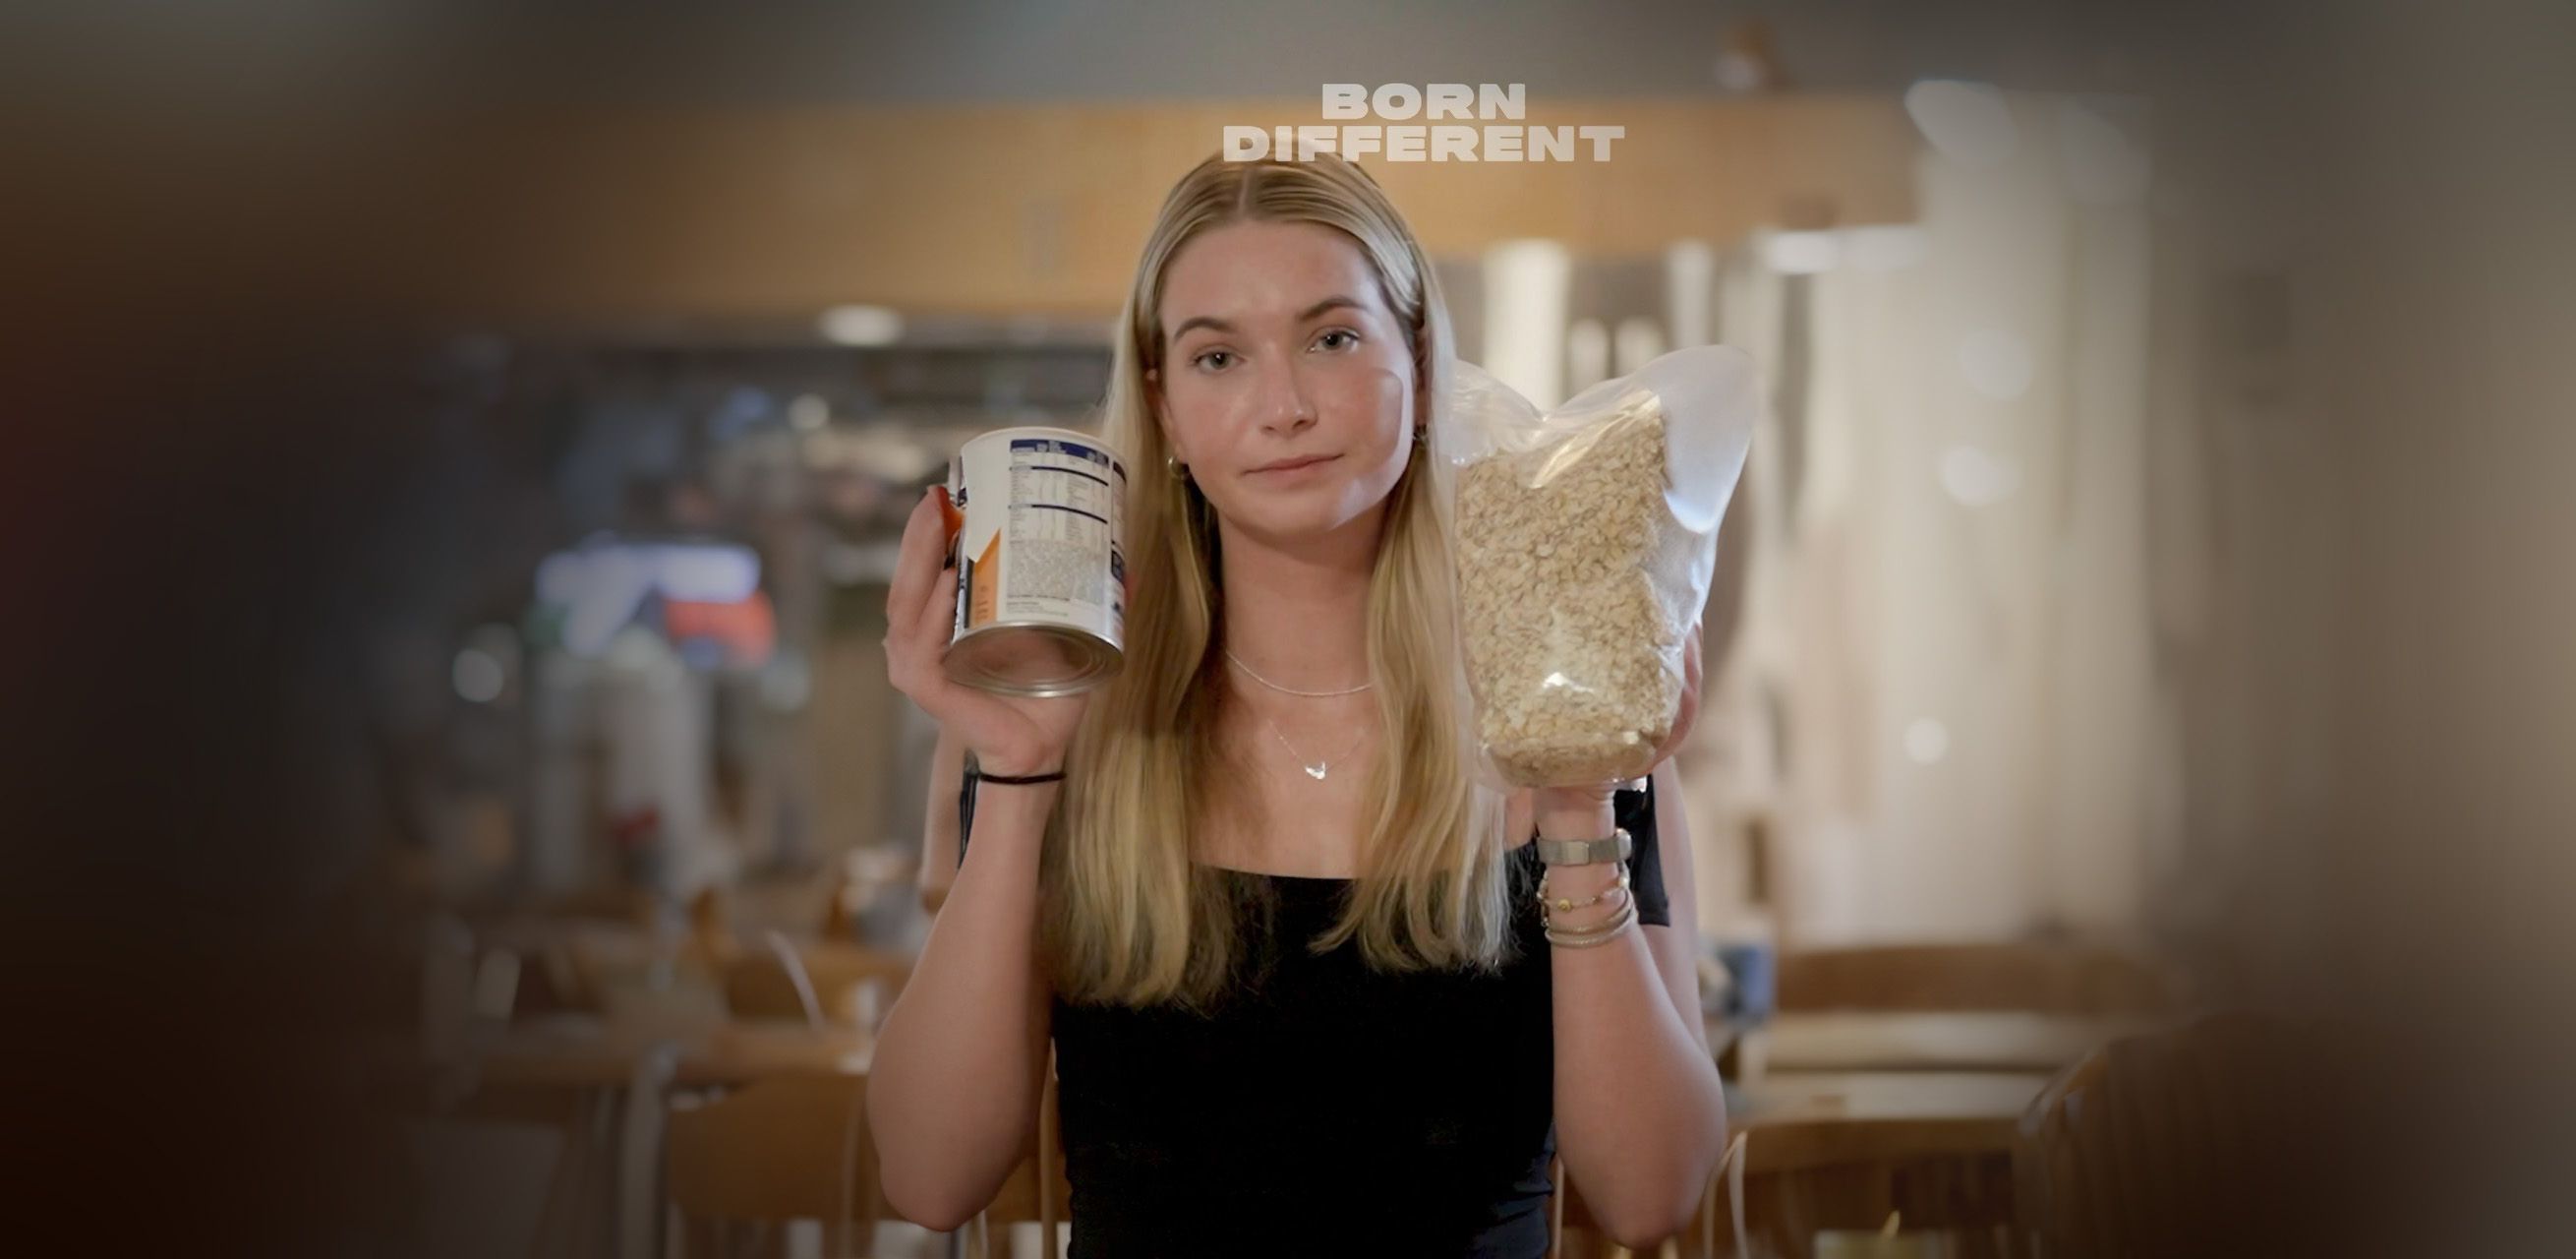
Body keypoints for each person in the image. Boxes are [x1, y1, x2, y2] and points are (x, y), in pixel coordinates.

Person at [872, 150, 1728, 1257]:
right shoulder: (1060, 720)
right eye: (1218, 356)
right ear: (1163, 409)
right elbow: (930, 1174)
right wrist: (1026, 769)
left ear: (1417, 364)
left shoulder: (1563, 721)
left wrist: (1573, 814)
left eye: (1332, 338)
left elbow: (1652, 1193)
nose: (1282, 406)